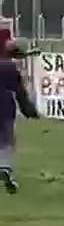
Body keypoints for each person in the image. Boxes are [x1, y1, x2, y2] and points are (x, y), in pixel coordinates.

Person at [0, 29, 38, 194]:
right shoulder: (10, 67)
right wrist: (29, 111)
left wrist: (27, 53)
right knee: (8, 139)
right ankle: (5, 167)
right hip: (5, 105)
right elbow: (20, 92)